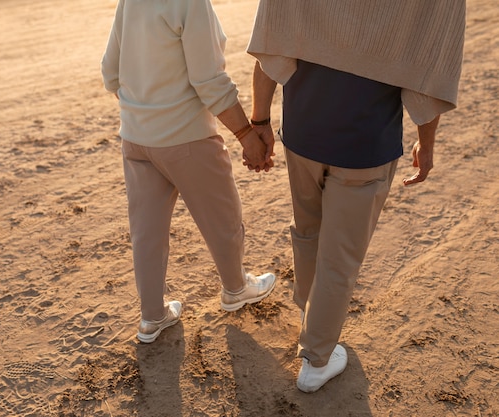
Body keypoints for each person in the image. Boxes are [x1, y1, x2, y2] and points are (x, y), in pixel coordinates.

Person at [246, 0, 465, 392]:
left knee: (309, 231)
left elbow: (272, 40)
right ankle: (316, 359)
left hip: (303, 130)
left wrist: (259, 119)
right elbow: (429, 69)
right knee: (339, 258)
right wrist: (426, 144)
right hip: (365, 144)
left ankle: (309, 318)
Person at [101, 0, 276, 344]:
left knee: (146, 233)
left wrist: (143, 106)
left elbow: (110, 71)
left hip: (136, 139)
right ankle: (236, 288)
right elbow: (208, 79)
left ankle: (152, 317)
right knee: (222, 216)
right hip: (186, 137)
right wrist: (245, 134)